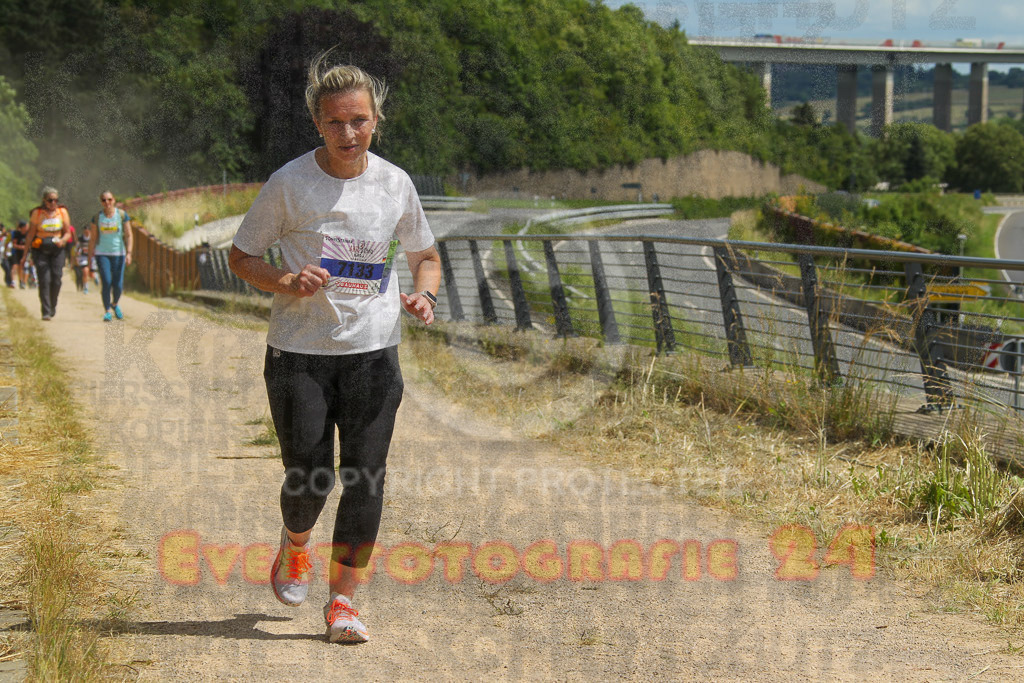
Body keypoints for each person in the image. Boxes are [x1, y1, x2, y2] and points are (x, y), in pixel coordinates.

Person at [228, 55, 440, 644]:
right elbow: (241, 257)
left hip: (374, 352)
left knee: (365, 478)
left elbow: (425, 255)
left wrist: (423, 296)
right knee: (310, 478)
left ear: (377, 119)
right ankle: (295, 543)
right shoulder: (290, 184)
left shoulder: (395, 183)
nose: (349, 134)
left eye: (360, 121)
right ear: (317, 125)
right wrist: (283, 281)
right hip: (299, 355)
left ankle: (343, 602)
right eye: (335, 123)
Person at [21, 187, 71, 320]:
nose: (53, 203)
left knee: (56, 279)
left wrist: (62, 240)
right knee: (44, 280)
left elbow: (67, 232)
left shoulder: (62, 212)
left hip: (57, 249)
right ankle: (46, 311)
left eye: (56, 200)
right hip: (41, 249)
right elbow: (30, 234)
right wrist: (25, 254)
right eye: (50, 200)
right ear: (44, 200)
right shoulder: (37, 213)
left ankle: (53, 304)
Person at [88, 191, 133, 321]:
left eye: (109, 199)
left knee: (118, 284)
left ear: (114, 200)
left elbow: (129, 235)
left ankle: (114, 304)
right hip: (102, 253)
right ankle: (107, 310)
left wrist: (129, 253)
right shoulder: (97, 217)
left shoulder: (122, 215)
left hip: (119, 254)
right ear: (101, 202)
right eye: (103, 200)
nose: (106, 202)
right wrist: (90, 258)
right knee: (107, 282)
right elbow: (93, 239)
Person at [10, 220, 28, 288]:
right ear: (23, 227)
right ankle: (13, 282)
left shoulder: (28, 234)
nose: (27, 227)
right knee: (14, 266)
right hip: (16, 252)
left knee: (22, 267)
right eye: (26, 226)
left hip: (24, 253)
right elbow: (14, 245)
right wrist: (22, 247)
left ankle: (22, 282)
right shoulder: (17, 234)